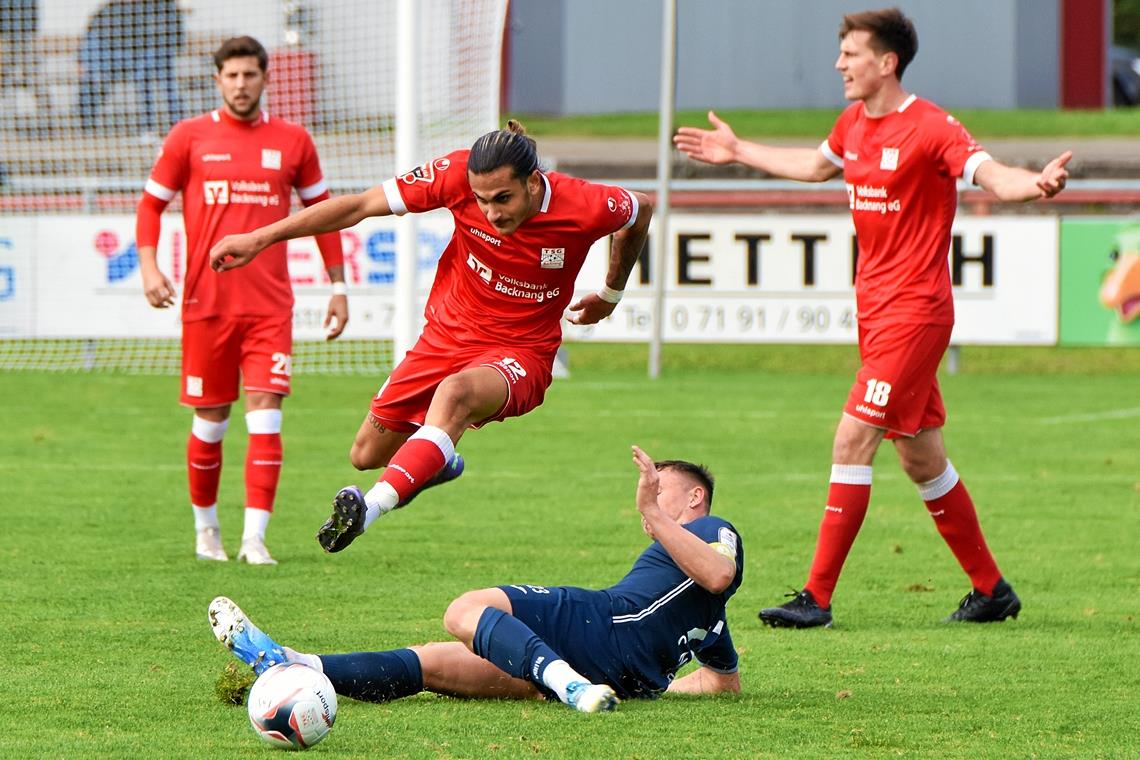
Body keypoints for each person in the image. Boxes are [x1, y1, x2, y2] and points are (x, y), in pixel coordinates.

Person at [674, 7, 1070, 627]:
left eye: (851, 54)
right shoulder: (853, 123)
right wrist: (736, 149)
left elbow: (990, 174)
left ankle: (817, 597)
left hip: (917, 314)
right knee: (921, 457)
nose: (839, 65)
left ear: (887, 63)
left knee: (852, 437)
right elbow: (813, 167)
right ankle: (993, 590)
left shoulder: (932, 128)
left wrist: (1036, 184)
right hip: (878, 315)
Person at [209, 120, 654, 554]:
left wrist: (611, 294)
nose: (493, 213)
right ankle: (436, 459)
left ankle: (370, 508)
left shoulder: (585, 203)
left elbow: (641, 209)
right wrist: (259, 238)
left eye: (504, 198)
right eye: (482, 201)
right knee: (364, 453)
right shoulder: (452, 175)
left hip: (521, 352)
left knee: (455, 395)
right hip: (446, 336)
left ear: (534, 182)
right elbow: (359, 206)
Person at [208, 446, 743, 712]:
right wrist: (657, 686)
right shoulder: (708, 626)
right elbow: (722, 681)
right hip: (610, 672)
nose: (650, 493)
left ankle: (566, 682)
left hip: (594, 623)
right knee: (431, 664)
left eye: (661, 485)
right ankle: (293, 664)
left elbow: (718, 572)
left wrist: (653, 511)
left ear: (695, 497)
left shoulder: (716, 531)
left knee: (464, 610)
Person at [136, 36, 348, 565]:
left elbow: (324, 213)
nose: (240, 84)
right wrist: (149, 265)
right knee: (211, 422)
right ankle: (207, 529)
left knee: (266, 416)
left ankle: (255, 537)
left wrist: (339, 285)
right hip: (206, 305)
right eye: (231, 75)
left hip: (269, 307)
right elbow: (150, 205)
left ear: (265, 78)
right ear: (217, 80)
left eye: (249, 75)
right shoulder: (190, 137)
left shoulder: (294, 140)